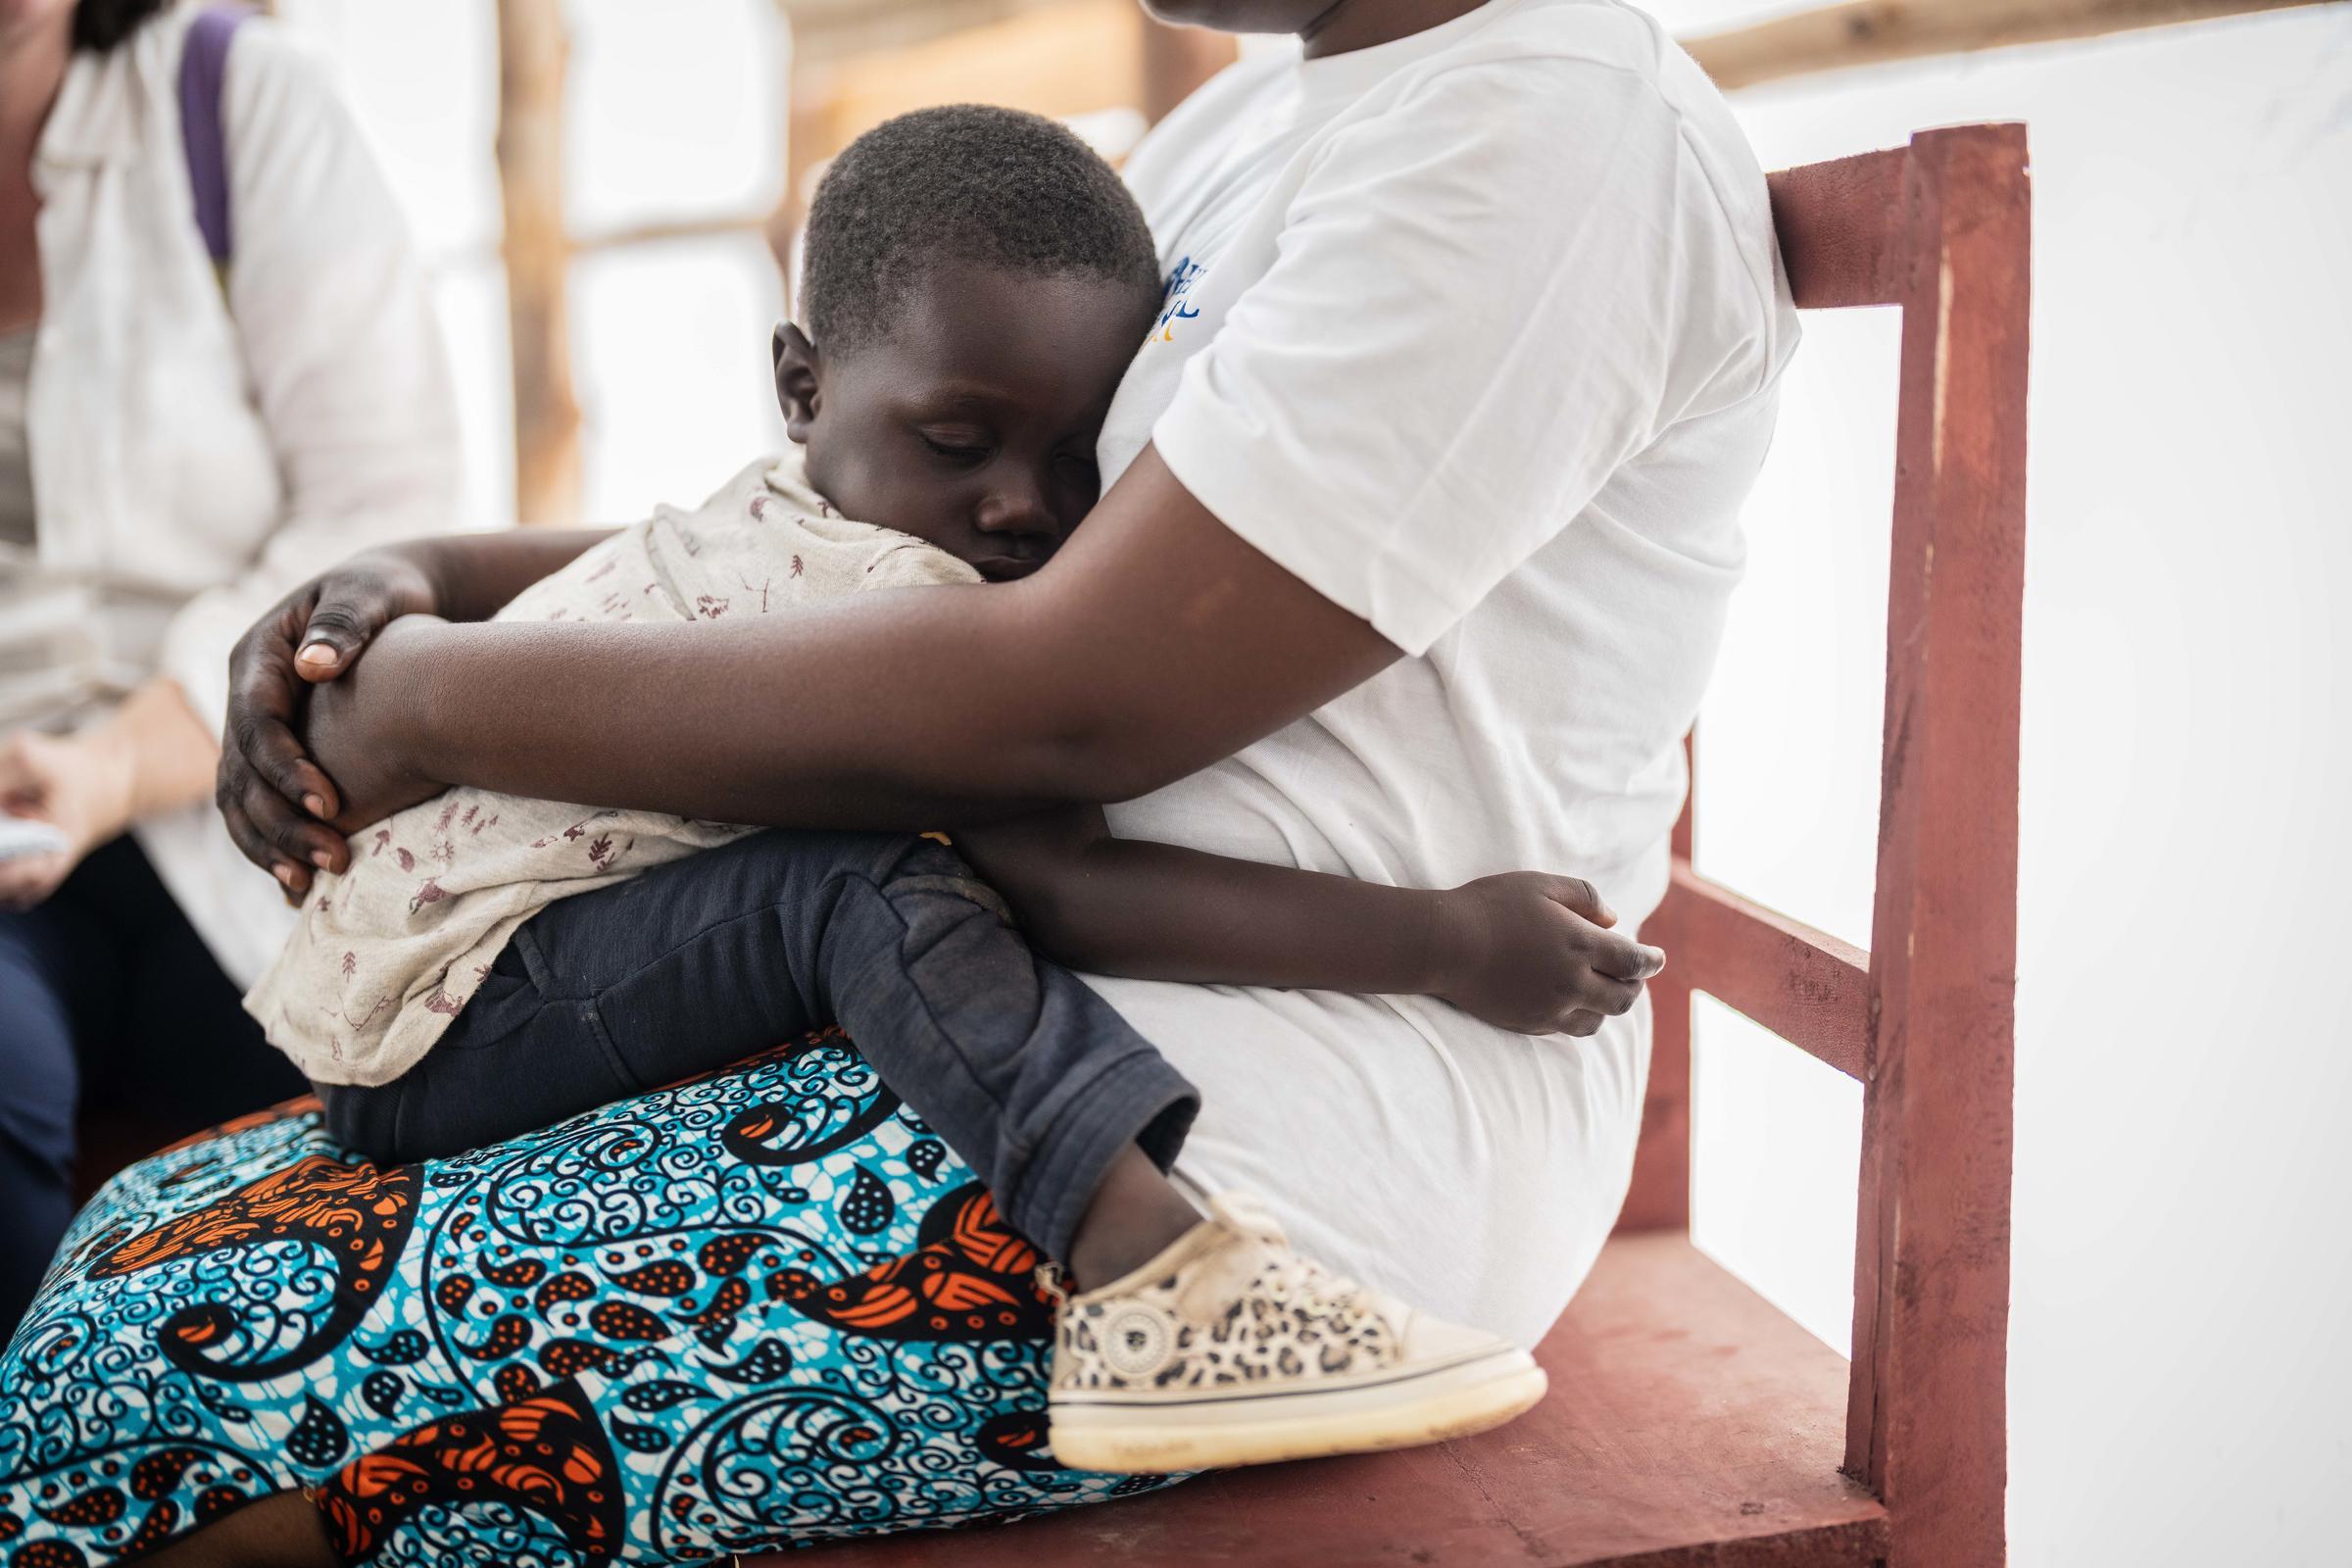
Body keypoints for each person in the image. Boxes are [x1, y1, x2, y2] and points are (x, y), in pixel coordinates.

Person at [0, 1, 1799, 1561]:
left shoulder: (1546, 129)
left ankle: (1173, 1305)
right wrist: (401, 591)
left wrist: (437, 703)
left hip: (1274, 1146)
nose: (1025, 499)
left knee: (133, 1392)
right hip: (997, 1000)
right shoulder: (1250, 122)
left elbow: (1055, 706)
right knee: (125, 1253)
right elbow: (815, 548)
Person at [249, 104, 1663, 1473]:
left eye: (1076, 457)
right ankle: (1155, 1284)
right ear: (801, 387)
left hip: (433, 993)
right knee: (867, 890)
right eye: (957, 444)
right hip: (451, 1026)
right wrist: (1449, 942)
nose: (1020, 507)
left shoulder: (803, 508)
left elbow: (576, 562)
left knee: (844, 881)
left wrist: (412, 571)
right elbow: (1069, 889)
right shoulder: (904, 598)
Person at [0, 0, 459, 1330]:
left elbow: (384, 514)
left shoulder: (231, 102)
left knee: (402, 1131)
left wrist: (116, 761)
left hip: (270, 800)